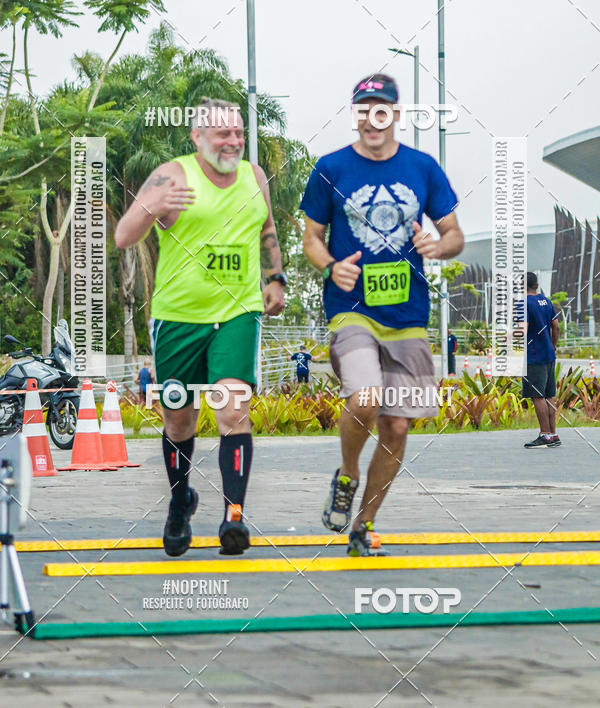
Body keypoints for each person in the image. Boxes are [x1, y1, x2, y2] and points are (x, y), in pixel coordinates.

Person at [301, 72, 464, 556]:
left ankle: (364, 525)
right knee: (366, 397)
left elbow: (455, 234)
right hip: (351, 309)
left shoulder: (423, 168)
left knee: (396, 425)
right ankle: (347, 474)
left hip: (408, 315)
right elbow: (310, 236)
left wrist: (437, 246)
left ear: (394, 113)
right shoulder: (331, 168)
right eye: (364, 108)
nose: (373, 118)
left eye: (382, 108)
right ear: (356, 115)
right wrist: (331, 266)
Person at [115, 98, 286, 557]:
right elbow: (122, 236)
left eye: (238, 134)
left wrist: (275, 278)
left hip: (236, 312)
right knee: (178, 417)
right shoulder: (172, 175)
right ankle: (179, 500)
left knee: (232, 408)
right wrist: (152, 207)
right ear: (197, 137)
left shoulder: (254, 177)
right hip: (178, 317)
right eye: (222, 134)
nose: (232, 142)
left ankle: (234, 515)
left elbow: (267, 229)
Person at [523, 271, 561, 448]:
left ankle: (545, 435)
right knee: (548, 395)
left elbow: (522, 330)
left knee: (537, 396)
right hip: (548, 354)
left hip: (534, 355)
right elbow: (556, 326)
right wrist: (553, 345)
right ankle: (553, 434)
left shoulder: (524, 304)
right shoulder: (546, 301)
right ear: (537, 286)